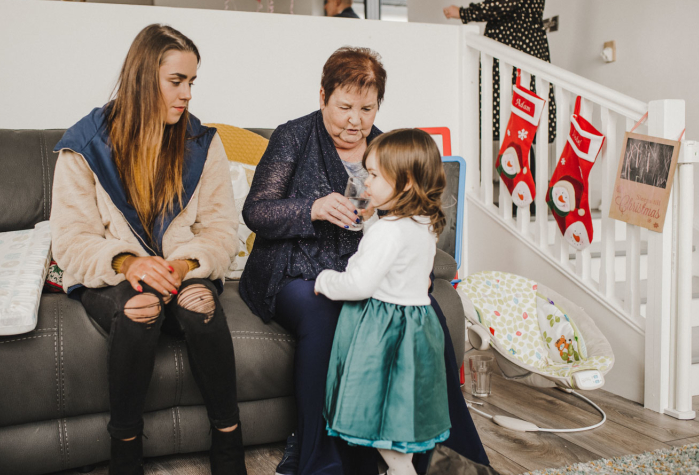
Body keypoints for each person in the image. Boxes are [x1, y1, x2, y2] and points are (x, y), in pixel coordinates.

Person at [239, 47, 488, 475]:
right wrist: (311, 208)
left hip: (365, 269)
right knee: (325, 316)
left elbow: (414, 223)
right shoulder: (293, 137)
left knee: (426, 315)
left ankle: (450, 455)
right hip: (294, 270)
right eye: (345, 107)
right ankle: (318, 455)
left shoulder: (387, 150)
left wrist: (413, 273)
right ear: (323, 97)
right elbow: (256, 212)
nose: (355, 120)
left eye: (367, 108)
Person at [50, 24, 244, 475]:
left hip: (182, 271)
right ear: (142, 77)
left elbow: (221, 230)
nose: (187, 94)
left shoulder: (203, 143)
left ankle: (229, 444)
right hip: (115, 277)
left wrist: (185, 264)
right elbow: (72, 239)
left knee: (201, 304)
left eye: (192, 82)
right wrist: (128, 262)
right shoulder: (83, 144)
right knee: (141, 309)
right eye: (177, 81)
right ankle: (125, 451)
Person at [317, 129, 452, 475]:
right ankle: (402, 468)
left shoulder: (388, 232)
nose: (366, 182)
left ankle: (400, 471)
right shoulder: (422, 223)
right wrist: (370, 222)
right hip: (418, 325)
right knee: (401, 411)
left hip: (384, 330)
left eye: (374, 175)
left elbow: (359, 283)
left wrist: (324, 281)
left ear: (405, 183)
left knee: (376, 412)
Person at [443, 0, 556, 161]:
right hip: (517, 51)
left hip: (518, 51)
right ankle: (521, 186)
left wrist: (464, 13)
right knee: (519, 121)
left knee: (522, 117)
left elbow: (505, 4)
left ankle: (524, 189)